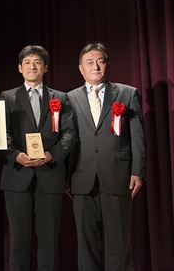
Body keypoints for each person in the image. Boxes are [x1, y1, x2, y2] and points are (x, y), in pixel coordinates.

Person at [67, 42, 146, 271]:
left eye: (100, 61)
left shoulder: (127, 93)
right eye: (89, 62)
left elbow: (138, 136)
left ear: (108, 64)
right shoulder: (69, 98)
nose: (95, 66)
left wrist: (138, 171)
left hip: (118, 176)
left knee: (119, 243)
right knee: (86, 245)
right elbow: (66, 139)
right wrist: (64, 174)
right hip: (81, 177)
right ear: (80, 68)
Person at [0, 45, 77, 270]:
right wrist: (16, 155)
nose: (32, 66)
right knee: (18, 241)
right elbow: (0, 133)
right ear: (19, 68)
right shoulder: (7, 97)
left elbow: (70, 133)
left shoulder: (61, 98)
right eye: (27, 62)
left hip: (50, 174)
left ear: (45, 68)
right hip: (17, 175)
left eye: (37, 62)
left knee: (49, 241)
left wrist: (53, 155)